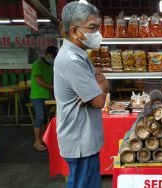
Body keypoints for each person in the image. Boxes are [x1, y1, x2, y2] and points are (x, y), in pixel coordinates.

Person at [54, 1, 109, 188]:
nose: (97, 34)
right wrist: (102, 85)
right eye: (92, 28)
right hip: (80, 142)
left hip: (84, 139)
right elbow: (99, 101)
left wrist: (98, 86)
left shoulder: (80, 56)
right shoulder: (72, 62)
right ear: (75, 31)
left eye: (97, 27)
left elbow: (99, 89)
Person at [30, 46, 57, 151]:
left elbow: (52, 81)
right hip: (37, 95)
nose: (51, 57)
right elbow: (39, 81)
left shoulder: (51, 66)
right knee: (40, 117)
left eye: (53, 56)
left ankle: (42, 139)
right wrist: (53, 87)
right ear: (46, 53)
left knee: (46, 119)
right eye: (51, 55)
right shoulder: (37, 64)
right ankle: (36, 141)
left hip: (47, 96)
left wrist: (53, 93)